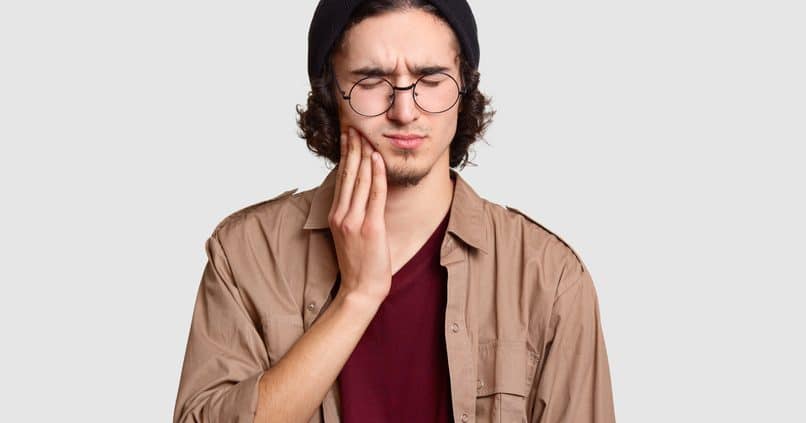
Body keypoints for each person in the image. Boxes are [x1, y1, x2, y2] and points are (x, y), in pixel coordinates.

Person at [173, 1, 616, 422]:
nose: (405, 111)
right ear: (331, 96)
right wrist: (356, 299)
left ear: (464, 88)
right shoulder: (246, 255)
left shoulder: (549, 277)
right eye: (370, 82)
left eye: (431, 79)